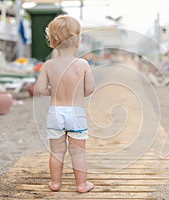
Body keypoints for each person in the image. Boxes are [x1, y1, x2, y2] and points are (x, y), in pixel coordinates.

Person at [34, 15, 95, 193]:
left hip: (55, 112)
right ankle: (82, 185)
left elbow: (38, 89)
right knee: (78, 152)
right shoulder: (82, 64)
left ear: (51, 42)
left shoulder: (49, 65)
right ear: (78, 42)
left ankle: (55, 183)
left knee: (57, 151)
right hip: (76, 112)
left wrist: (52, 92)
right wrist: (78, 93)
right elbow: (90, 88)